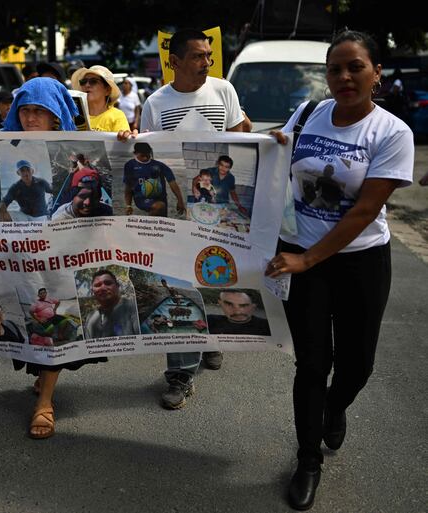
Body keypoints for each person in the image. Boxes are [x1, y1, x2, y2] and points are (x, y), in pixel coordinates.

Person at [265, 30, 414, 511]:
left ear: (376, 73)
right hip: (302, 259)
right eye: (335, 69)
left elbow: (363, 211)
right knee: (311, 364)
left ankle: (337, 405)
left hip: (361, 262)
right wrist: (264, 147)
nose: (345, 77)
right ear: (325, 75)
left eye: (355, 67)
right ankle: (308, 459)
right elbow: (276, 163)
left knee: (357, 364)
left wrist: (310, 258)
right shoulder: (309, 114)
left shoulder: (392, 132)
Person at [139, 29, 247, 407]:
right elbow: (148, 156)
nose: (207, 63)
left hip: (218, 213)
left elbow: (242, 140)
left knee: (214, 276)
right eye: (199, 56)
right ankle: (181, 374)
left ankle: (211, 336)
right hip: (176, 215)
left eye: (208, 56)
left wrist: (266, 142)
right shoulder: (155, 102)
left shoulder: (223, 91)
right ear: (175, 61)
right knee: (180, 282)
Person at [2, 77, 107, 439]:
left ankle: (44, 401)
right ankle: (42, 373)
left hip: (63, 252)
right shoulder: (1, 144)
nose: (31, 119)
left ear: (57, 116)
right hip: (26, 253)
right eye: (25, 111)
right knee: (33, 310)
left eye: (40, 112)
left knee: (59, 315)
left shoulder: (69, 161)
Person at [123, 142, 185, 217]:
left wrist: (180, 201)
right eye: (142, 156)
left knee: (162, 218)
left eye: (147, 155)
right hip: (141, 198)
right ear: (135, 153)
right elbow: (128, 188)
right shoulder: (130, 165)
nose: (145, 158)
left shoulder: (159, 165)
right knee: (159, 206)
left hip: (161, 198)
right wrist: (128, 205)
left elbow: (172, 183)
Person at [83, 269, 140, 339]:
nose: (103, 288)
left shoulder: (133, 307)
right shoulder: (90, 317)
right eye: (97, 285)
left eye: (108, 283)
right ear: (93, 291)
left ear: (117, 286)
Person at [71, 65, 130, 132]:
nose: (87, 85)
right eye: (83, 81)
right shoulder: (73, 116)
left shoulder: (117, 116)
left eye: (93, 81)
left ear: (107, 90)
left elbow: (123, 140)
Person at [206, 290, 270, 335]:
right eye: (229, 304)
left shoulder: (267, 326)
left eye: (244, 305)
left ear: (254, 306)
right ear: (220, 303)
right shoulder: (208, 320)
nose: (237, 312)